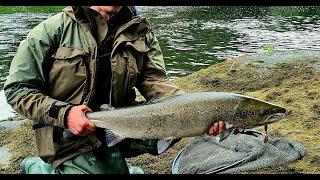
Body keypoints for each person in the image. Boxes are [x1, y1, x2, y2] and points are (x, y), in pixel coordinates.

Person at [4, 6, 227, 174]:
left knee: (180, 124)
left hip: (124, 127)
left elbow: (156, 84)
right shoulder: (50, 31)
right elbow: (17, 89)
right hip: (67, 137)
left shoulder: (140, 32)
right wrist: (65, 114)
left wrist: (198, 111)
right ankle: (38, 167)